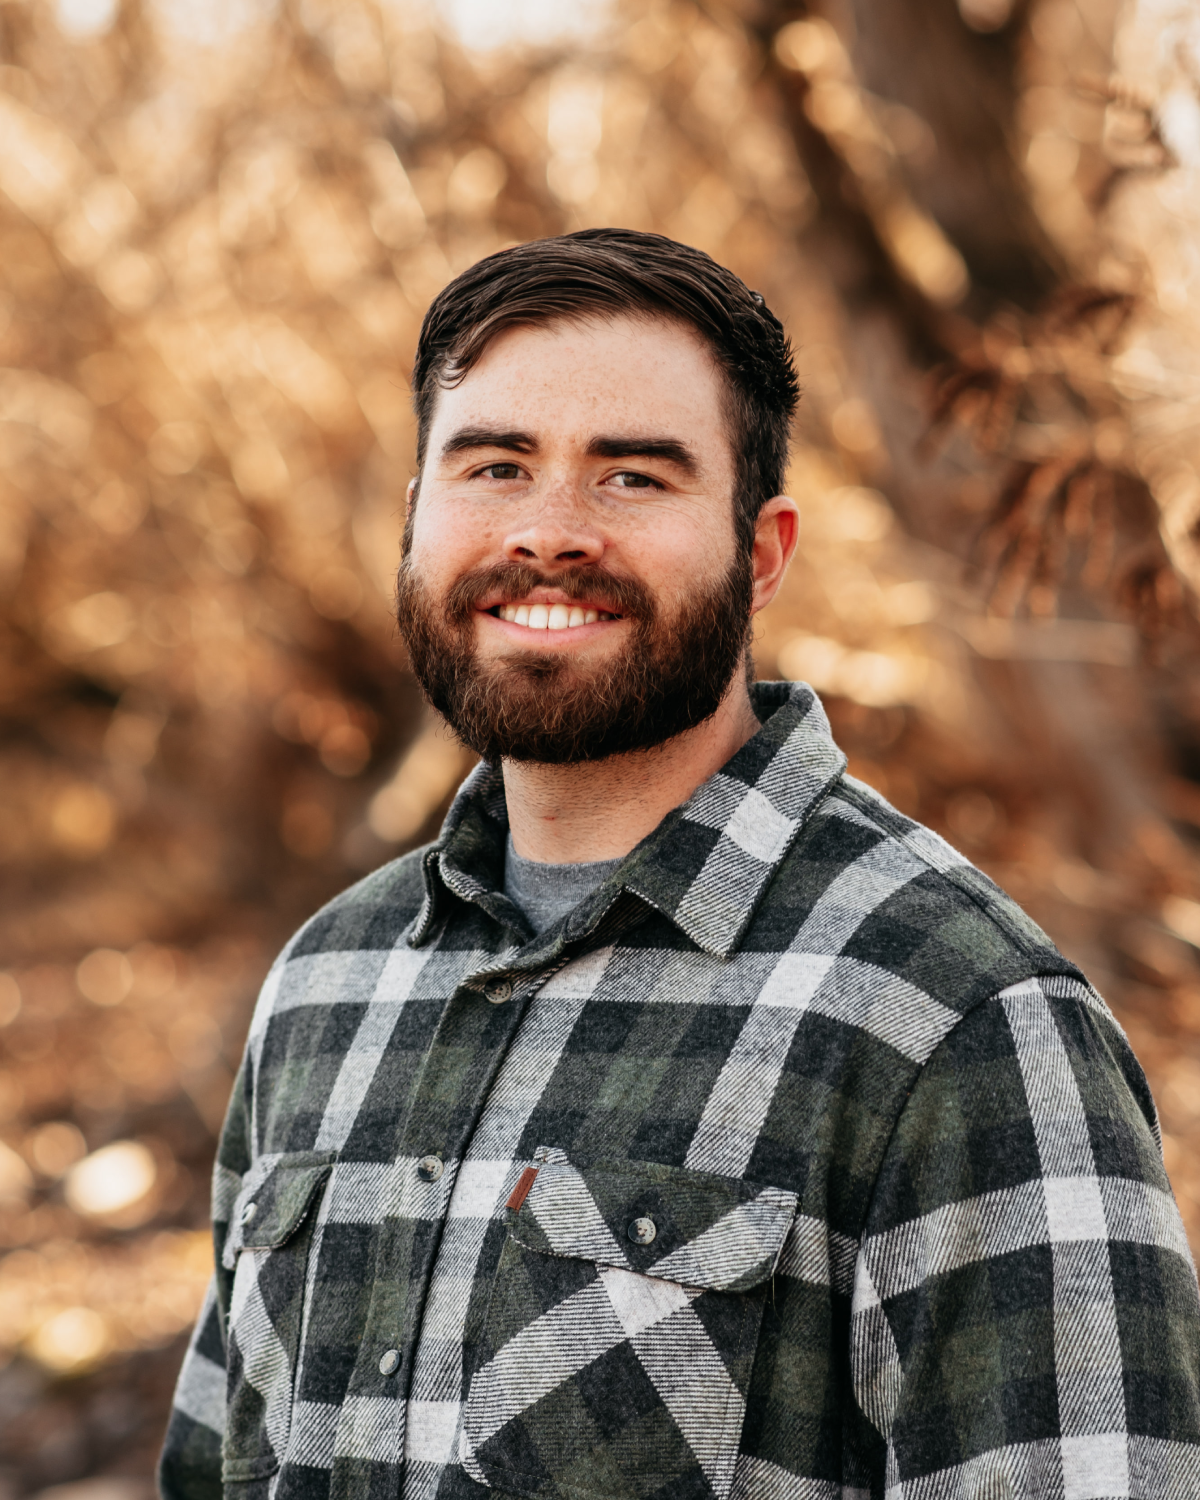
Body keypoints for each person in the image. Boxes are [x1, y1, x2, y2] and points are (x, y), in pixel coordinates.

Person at [159, 229, 1200, 1500]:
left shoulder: (961, 1025)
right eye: (493, 465)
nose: (549, 532)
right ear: (418, 518)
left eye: (633, 479)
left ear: (762, 552)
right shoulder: (330, 980)